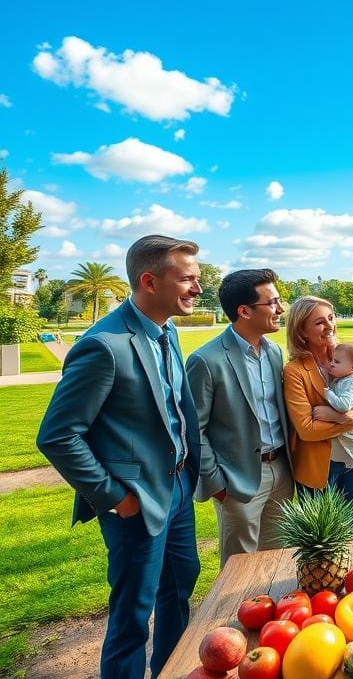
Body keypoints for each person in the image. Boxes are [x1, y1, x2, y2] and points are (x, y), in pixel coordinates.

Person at [36, 235, 203, 679]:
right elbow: (57, 436)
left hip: (178, 489)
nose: (197, 289)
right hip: (134, 502)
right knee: (132, 616)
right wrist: (113, 497)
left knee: (178, 592)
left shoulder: (168, 332)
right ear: (149, 281)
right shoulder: (103, 345)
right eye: (187, 279)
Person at [185, 269, 293, 569]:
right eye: (272, 303)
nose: (280, 309)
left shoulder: (274, 352)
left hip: (282, 471)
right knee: (240, 566)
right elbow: (194, 430)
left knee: (279, 559)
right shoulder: (206, 361)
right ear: (244, 311)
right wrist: (217, 483)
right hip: (237, 481)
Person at [283, 297, 353, 538]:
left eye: (331, 317)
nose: (329, 326)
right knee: (322, 537)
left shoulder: (350, 355)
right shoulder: (294, 371)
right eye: (319, 322)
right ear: (301, 331)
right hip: (316, 465)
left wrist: (341, 417)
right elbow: (307, 429)